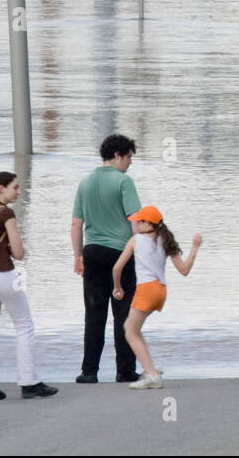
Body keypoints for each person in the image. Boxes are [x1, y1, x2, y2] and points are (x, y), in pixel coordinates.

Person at [0, 172, 58, 401]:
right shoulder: (6, 212)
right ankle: (29, 382)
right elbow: (18, 253)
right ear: (2, 188)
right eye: (15, 188)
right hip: (3, 275)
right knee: (24, 326)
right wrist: (13, 246)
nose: (18, 192)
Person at [72, 134, 143, 383]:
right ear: (117, 155)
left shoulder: (85, 182)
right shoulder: (124, 182)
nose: (130, 163)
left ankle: (89, 371)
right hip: (120, 254)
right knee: (123, 313)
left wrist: (77, 255)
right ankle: (125, 370)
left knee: (94, 313)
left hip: (92, 252)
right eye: (129, 157)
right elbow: (136, 222)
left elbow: (76, 224)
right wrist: (141, 252)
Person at [110, 206, 202, 389]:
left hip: (145, 289)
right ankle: (150, 369)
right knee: (132, 328)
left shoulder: (136, 240)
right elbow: (184, 270)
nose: (134, 224)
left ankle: (152, 376)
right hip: (160, 291)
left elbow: (117, 268)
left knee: (129, 331)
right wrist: (195, 247)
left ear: (146, 223)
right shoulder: (165, 240)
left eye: (138, 221)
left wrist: (117, 287)